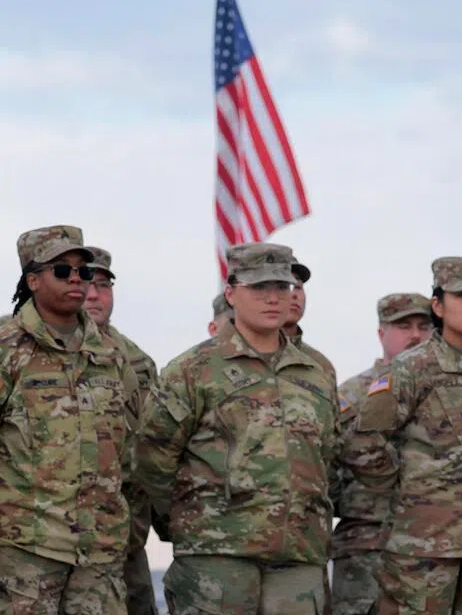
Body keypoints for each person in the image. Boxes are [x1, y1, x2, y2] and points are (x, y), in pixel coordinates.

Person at [134, 243, 338, 614]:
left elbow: (326, 454)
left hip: (298, 556)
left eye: (282, 287)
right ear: (231, 293)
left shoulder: (317, 371)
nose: (273, 298)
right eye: (259, 287)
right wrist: (190, 521)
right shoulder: (193, 369)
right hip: (217, 555)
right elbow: (152, 457)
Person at [338, 257, 462, 614]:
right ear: (438, 305)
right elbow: (363, 442)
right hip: (421, 547)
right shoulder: (411, 369)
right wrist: (406, 486)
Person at [0, 225, 140, 613]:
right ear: (33, 281)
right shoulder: (8, 350)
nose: (76, 279)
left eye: (83, 270)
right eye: (62, 270)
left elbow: (132, 442)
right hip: (26, 551)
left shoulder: (111, 355)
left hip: (100, 552)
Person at [331, 292, 433, 615]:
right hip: (366, 545)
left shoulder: (444, 392)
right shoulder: (353, 394)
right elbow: (328, 470)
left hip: (431, 543)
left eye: (423, 326)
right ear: (381, 334)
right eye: (403, 326)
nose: (415, 335)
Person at [85, 246, 161, 615]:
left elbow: (155, 447)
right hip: (41, 543)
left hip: (125, 540)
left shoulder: (138, 362)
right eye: (85, 283)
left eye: (103, 285)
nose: (93, 295)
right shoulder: (19, 349)